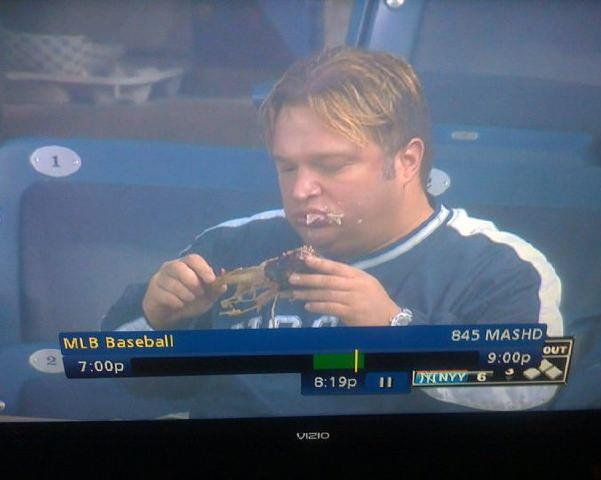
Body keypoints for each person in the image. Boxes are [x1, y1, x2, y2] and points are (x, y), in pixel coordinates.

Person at [102, 46, 563, 411]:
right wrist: (155, 322)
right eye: (287, 167)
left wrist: (395, 328)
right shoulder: (229, 245)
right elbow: (117, 370)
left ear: (406, 161)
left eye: (331, 165)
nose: (302, 189)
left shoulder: (500, 264)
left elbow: (529, 386)